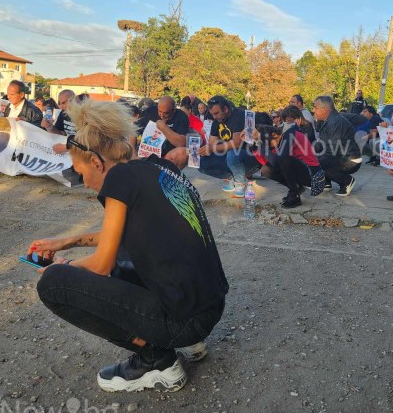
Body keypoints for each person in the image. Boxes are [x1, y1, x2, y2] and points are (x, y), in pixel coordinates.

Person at [30, 99, 228, 392]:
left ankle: (156, 359)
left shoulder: (120, 178)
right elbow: (122, 233)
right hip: (209, 306)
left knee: (53, 284)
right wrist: (66, 242)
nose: (84, 182)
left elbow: (102, 264)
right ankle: (189, 344)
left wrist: (65, 267)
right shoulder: (155, 166)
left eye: (81, 172)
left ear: (96, 162)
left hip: (184, 320)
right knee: (127, 249)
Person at [189, 96, 259, 198]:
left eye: (216, 113)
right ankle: (232, 177)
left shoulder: (239, 115)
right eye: (212, 114)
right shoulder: (216, 120)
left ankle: (240, 183)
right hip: (229, 159)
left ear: (225, 109)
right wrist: (200, 150)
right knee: (200, 162)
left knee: (233, 153)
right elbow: (212, 143)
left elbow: (236, 144)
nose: (214, 117)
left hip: (249, 158)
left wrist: (213, 148)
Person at [259, 105, 325, 209]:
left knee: (285, 160)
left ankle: (294, 194)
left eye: (290, 122)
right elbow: (272, 160)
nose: (287, 124)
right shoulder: (287, 134)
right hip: (303, 170)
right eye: (285, 122)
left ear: (297, 120)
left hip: (314, 178)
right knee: (266, 169)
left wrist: (261, 145)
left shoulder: (296, 132)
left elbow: (278, 159)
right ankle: (295, 188)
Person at [313, 95, 361, 196]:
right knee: (316, 157)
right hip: (342, 156)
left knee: (317, 162)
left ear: (325, 110)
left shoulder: (335, 122)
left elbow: (332, 149)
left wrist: (314, 158)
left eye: (315, 108)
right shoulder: (327, 120)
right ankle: (327, 182)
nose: (313, 110)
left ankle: (346, 181)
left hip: (350, 160)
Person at [134, 96, 189, 167]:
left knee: (184, 152)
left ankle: (170, 174)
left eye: (166, 113)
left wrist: (163, 127)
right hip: (145, 154)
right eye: (159, 111)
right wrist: (133, 152)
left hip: (167, 156)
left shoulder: (181, 116)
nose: (162, 115)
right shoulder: (149, 112)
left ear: (173, 110)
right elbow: (133, 131)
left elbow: (181, 143)